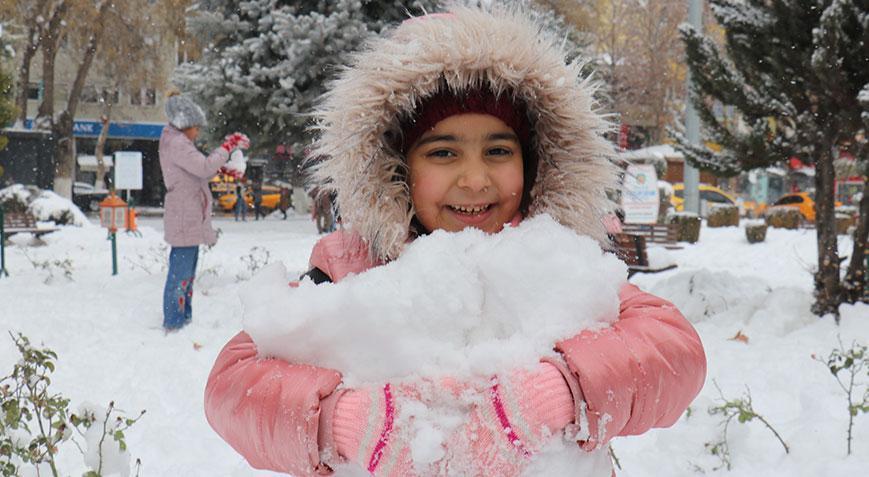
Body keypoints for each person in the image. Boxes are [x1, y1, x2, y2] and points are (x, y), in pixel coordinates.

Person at [204, 7, 706, 476]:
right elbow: (233, 387)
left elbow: (673, 352)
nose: (474, 179)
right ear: (396, 169)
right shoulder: (347, 268)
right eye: (443, 153)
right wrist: (343, 419)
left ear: (532, 166)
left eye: (497, 150)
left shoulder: (559, 260)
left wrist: (560, 391)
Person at [159, 91, 248, 331]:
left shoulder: (176, 141)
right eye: (195, 128)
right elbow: (202, 167)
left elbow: (199, 172)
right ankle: (175, 321)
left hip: (187, 215)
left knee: (186, 275)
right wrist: (228, 147)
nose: (197, 132)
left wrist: (224, 170)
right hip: (184, 217)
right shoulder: (177, 143)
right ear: (184, 124)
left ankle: (182, 318)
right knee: (181, 275)